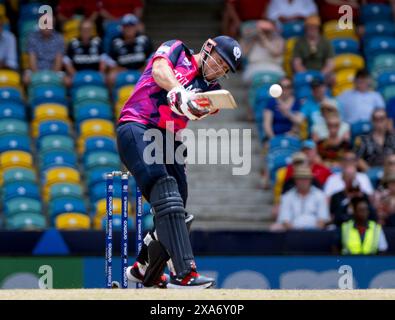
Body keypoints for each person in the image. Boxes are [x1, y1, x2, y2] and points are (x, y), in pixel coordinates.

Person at [116, 35, 242, 288]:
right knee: (165, 190)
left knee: (177, 211)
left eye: (225, 68)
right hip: (137, 125)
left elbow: (194, 112)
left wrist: (190, 104)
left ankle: (142, 270)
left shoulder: (212, 90)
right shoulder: (177, 50)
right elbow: (160, 70)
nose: (220, 69)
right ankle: (185, 274)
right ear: (207, 47)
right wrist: (178, 91)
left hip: (169, 138)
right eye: (219, 61)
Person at [275, 165, 330, 230]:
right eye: (300, 178)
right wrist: (297, 234)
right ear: (295, 180)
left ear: (310, 180)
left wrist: (311, 233)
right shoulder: (287, 196)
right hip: (292, 231)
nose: (303, 181)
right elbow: (285, 220)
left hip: (315, 232)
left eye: (306, 178)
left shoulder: (320, 195)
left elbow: (322, 219)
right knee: (275, 227)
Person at [106, 14, 153, 88]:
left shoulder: (144, 40)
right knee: (111, 76)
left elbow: (151, 60)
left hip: (141, 69)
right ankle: (113, 98)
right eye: (126, 26)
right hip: (121, 70)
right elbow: (111, 62)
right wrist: (120, 69)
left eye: (131, 26)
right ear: (122, 28)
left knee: (153, 73)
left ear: (136, 27)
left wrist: (143, 69)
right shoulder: (115, 41)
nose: (129, 29)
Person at [241, 19, 284, 84]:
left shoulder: (278, 40)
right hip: (254, 69)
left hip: (274, 69)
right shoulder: (252, 40)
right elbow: (243, 54)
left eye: (266, 30)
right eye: (262, 30)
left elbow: (276, 52)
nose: (264, 32)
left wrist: (263, 38)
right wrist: (251, 37)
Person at [24, 18, 65, 84]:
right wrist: (39, 76)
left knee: (67, 81)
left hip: (54, 71)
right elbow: (32, 62)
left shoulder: (59, 38)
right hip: (35, 70)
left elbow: (58, 62)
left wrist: (51, 77)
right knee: (26, 79)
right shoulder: (32, 38)